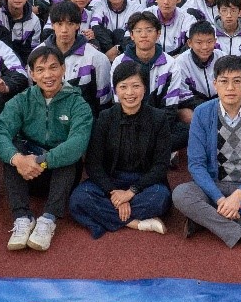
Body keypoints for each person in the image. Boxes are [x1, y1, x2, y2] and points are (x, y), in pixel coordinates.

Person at [173, 56, 241, 257]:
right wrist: (219, 199)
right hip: (212, 186)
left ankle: (205, 220)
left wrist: (237, 196)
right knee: (181, 195)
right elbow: (196, 165)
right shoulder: (202, 113)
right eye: (224, 81)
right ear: (215, 84)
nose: (230, 88)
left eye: (237, 81)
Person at [0, 46, 93, 252]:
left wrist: (41, 161)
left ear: (63, 69)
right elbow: (0, 132)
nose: (48, 75)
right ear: (32, 74)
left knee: (68, 155)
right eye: (40, 70)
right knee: (13, 150)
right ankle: (22, 218)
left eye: (53, 68)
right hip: (27, 173)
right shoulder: (22, 100)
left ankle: (48, 219)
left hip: (58, 175)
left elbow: (78, 143)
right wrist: (18, 159)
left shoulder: (78, 103)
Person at [69, 61, 173, 238]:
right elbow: (93, 163)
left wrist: (131, 193)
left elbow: (161, 166)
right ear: (115, 90)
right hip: (111, 180)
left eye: (136, 86)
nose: (129, 93)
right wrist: (114, 193)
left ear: (145, 88)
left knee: (161, 197)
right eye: (123, 87)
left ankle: (107, 216)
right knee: (79, 198)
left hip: (144, 183)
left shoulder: (159, 119)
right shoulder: (105, 117)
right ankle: (136, 223)